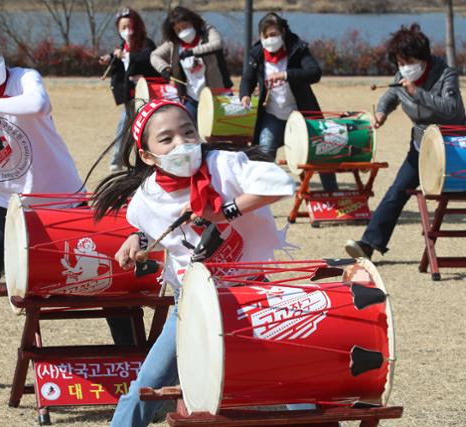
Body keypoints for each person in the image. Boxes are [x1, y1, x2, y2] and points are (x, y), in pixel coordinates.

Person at [0, 18, 137, 396]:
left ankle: (135, 361)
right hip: (8, 205)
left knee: (102, 279)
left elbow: (38, 105)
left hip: (62, 200)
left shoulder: (24, 79)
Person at [92, 99, 295, 426]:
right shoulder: (147, 198)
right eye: (167, 138)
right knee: (145, 386)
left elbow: (281, 184)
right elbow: (148, 229)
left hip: (249, 290)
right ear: (147, 155)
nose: (182, 143)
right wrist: (137, 240)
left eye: (188, 132)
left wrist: (226, 210)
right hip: (192, 301)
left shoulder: (222, 165)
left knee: (291, 376)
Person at [345, 24, 465, 259]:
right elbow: (390, 96)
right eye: (399, 64)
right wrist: (381, 114)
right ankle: (369, 244)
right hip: (421, 146)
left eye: (407, 62)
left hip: (454, 147)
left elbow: (453, 109)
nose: (403, 69)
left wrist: (417, 93)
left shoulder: (445, 74)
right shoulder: (401, 78)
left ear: (422, 58)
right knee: (397, 191)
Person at [240, 12, 337, 191]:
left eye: (274, 34)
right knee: (264, 152)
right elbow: (247, 79)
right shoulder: (256, 54)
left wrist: (286, 75)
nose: (270, 39)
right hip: (273, 113)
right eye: (266, 36)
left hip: (302, 112)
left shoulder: (297, 49)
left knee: (319, 151)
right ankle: (259, 191)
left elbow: (314, 73)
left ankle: (333, 193)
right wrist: (244, 94)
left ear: (283, 32)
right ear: (260, 37)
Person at [99, 7, 159, 172]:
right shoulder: (123, 45)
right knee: (125, 128)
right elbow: (119, 58)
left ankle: (129, 161)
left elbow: (147, 58)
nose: (127, 31)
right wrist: (110, 57)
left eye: (130, 26)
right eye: (123, 28)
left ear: (137, 26)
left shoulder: (146, 44)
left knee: (138, 128)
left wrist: (127, 57)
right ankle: (119, 160)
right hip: (129, 96)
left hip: (145, 94)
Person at [150, 6, 232, 121]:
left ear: (192, 22)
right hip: (191, 98)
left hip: (217, 95)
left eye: (185, 26)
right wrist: (164, 68)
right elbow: (154, 56)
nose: (183, 32)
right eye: (178, 30)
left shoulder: (206, 31)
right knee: (190, 130)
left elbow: (217, 43)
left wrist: (192, 51)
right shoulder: (174, 44)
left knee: (218, 134)